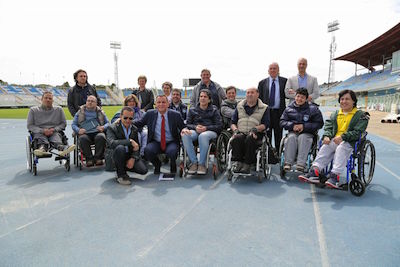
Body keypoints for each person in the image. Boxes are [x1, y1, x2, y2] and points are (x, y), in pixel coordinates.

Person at [299, 90, 369, 188]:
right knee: (325, 146)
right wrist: (327, 136)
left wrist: (343, 137)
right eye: (342, 99)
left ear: (354, 101)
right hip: (335, 140)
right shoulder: (335, 114)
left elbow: (358, 132)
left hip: (350, 141)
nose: (344, 101)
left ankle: (335, 176)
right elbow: (328, 127)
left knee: (341, 148)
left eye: (347, 99)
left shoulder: (361, 115)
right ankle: (315, 170)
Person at [134, 95, 185, 174]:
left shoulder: (175, 115)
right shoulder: (150, 114)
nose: (161, 104)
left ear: (168, 104)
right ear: (155, 104)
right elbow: (140, 123)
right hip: (156, 141)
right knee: (147, 150)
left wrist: (185, 130)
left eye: (164, 102)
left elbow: (183, 127)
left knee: (172, 152)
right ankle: (157, 164)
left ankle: (173, 163)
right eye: (159, 102)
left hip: (171, 141)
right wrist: (125, 121)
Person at [280, 88, 324, 173]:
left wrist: (304, 126)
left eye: (302, 97)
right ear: (295, 96)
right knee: (291, 138)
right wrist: (292, 126)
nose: (299, 99)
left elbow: (319, 123)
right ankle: (288, 163)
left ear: (306, 98)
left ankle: (301, 164)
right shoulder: (289, 109)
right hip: (293, 132)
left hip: (307, 133)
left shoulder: (313, 109)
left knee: (303, 137)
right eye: (298, 96)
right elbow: (282, 122)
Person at [182, 89, 222, 175]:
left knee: (203, 136)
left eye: (205, 97)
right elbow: (188, 124)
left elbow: (219, 126)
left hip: (210, 132)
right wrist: (195, 127)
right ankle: (194, 162)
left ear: (209, 99)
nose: (203, 98)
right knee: (185, 135)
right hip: (196, 130)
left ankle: (201, 164)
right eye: (201, 96)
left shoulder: (214, 110)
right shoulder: (192, 109)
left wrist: (206, 128)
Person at [230, 87, 270, 173]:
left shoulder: (264, 108)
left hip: (256, 133)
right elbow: (233, 122)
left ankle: (248, 163)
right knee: (237, 138)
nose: (249, 94)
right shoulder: (239, 106)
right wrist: (235, 130)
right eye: (248, 93)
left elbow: (265, 124)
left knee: (250, 138)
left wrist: (255, 129)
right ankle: (238, 162)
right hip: (241, 131)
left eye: (252, 92)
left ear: (257, 94)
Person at [107, 107, 148, 185]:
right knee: (120, 148)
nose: (128, 120)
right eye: (125, 118)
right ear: (120, 117)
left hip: (128, 155)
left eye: (130, 118)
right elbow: (112, 143)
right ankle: (121, 175)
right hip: (115, 155)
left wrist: (133, 158)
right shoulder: (112, 128)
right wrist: (129, 141)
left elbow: (136, 146)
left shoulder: (134, 129)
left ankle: (123, 166)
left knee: (143, 170)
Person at [27, 91, 75, 156]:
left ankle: (61, 148)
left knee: (56, 137)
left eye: (50, 98)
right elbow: (30, 125)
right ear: (41, 99)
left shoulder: (59, 109)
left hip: (54, 131)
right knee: (40, 138)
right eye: (46, 98)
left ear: (53, 100)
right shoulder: (33, 110)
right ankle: (42, 149)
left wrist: (53, 129)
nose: (48, 100)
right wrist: (43, 131)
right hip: (39, 132)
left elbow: (63, 124)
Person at [72, 95, 110, 167]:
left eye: (92, 101)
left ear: (96, 103)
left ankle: (98, 158)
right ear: (86, 102)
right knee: (83, 138)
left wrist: (103, 127)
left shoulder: (100, 112)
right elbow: (73, 124)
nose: (90, 102)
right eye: (88, 101)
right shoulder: (80, 112)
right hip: (85, 133)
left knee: (101, 136)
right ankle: (89, 159)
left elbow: (108, 123)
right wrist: (79, 130)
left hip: (97, 132)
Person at [258, 62, 287, 148]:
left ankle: (278, 153)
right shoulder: (262, 83)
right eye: (271, 68)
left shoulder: (285, 81)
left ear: (278, 70)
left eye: (275, 68)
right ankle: (269, 155)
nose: (273, 70)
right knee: (267, 134)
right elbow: (259, 98)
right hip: (267, 112)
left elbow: (288, 95)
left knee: (279, 134)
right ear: (268, 71)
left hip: (279, 112)